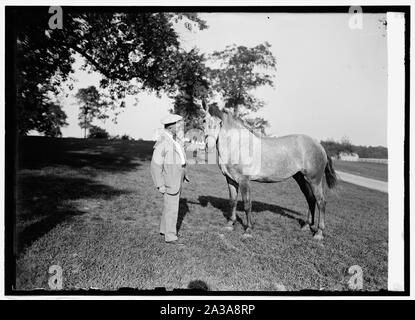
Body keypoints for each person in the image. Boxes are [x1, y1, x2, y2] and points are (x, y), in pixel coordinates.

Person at [150, 114, 188, 245]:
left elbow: (180, 157)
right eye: (178, 125)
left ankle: (164, 230)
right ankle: (171, 236)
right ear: (171, 126)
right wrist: (160, 184)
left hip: (177, 177)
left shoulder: (174, 140)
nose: (180, 127)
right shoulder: (162, 142)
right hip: (170, 179)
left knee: (170, 206)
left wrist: (184, 173)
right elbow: (155, 165)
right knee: (172, 208)